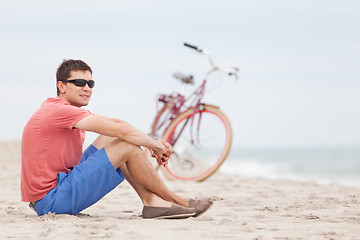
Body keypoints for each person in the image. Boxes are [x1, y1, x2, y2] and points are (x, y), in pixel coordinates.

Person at [21, 59, 213, 219]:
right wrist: (155, 146)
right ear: (61, 86)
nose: (87, 88)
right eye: (80, 83)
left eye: (91, 84)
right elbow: (123, 132)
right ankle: (177, 200)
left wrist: (154, 144)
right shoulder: (60, 111)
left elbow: (119, 125)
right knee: (126, 146)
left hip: (56, 189)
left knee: (110, 137)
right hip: (52, 200)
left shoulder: (60, 109)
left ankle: (151, 202)